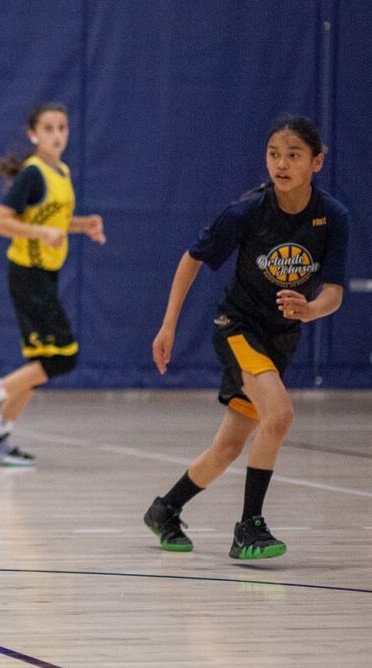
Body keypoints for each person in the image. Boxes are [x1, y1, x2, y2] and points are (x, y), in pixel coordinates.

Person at [144, 116, 349, 561]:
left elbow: (333, 291)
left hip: (281, 340)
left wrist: (312, 309)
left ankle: (166, 508)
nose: (282, 163)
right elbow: (191, 259)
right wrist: (168, 325)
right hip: (237, 329)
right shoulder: (247, 211)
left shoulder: (332, 217)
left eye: (294, 154)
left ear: (316, 162)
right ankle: (248, 528)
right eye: (274, 154)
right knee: (280, 414)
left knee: (229, 446)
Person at [0, 103, 105, 466]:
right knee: (62, 357)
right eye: (49, 128)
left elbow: (53, 218)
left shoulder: (62, 171)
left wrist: (81, 224)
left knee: (40, 361)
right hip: (28, 273)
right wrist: (40, 232)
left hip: (46, 274)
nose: (58, 134)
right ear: (33, 134)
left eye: (63, 127)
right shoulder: (33, 173)